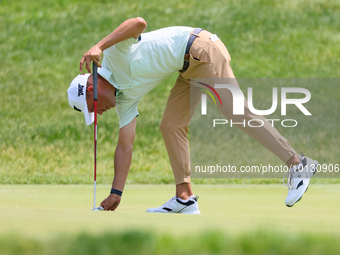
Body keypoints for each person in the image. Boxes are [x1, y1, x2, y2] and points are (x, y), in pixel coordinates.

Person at [67, 17, 318, 213]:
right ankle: (184, 197)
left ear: (92, 89)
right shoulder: (124, 100)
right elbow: (125, 146)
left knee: (236, 112)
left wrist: (99, 45)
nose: (99, 113)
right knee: (170, 125)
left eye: (94, 108)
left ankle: (298, 164)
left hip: (201, 50)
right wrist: (116, 192)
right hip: (187, 70)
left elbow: (139, 23)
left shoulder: (111, 54)